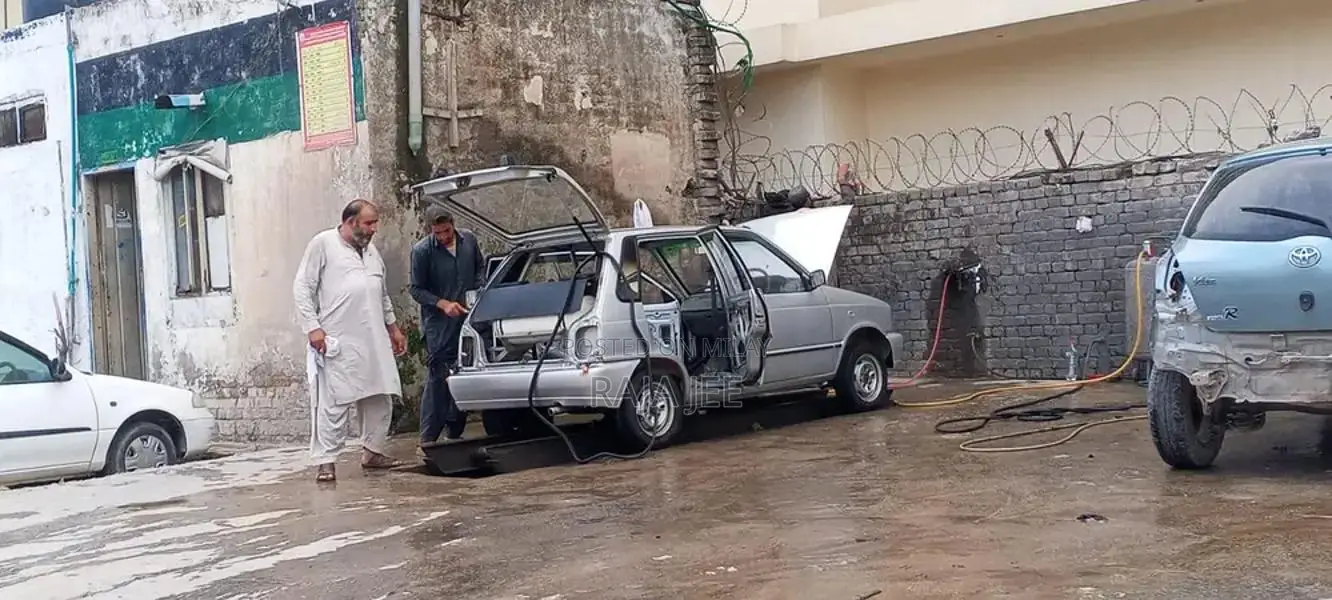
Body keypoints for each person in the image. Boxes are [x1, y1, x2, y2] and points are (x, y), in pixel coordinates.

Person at [293, 199, 409, 482]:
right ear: (350, 222)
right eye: (369, 223)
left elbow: (381, 295)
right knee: (333, 402)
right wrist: (313, 328)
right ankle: (326, 462)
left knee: (380, 396)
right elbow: (302, 287)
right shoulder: (323, 244)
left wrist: (393, 329)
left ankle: (372, 452)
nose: (374, 229)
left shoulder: (371, 253)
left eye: (375, 223)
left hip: (374, 339)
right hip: (337, 339)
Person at [409, 205, 487, 445]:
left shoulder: (469, 241)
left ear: (453, 224)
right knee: (438, 378)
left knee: (464, 370)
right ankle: (428, 437)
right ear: (431, 231)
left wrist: (478, 292)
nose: (443, 237)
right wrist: (442, 303)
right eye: (437, 233)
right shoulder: (422, 251)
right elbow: (416, 289)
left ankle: (455, 431)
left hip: (469, 319)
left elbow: (480, 268)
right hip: (439, 324)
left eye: (446, 231)